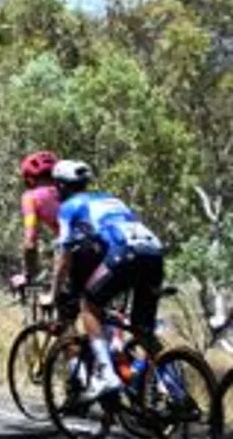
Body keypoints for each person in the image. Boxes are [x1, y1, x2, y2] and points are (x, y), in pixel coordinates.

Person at [46, 160, 165, 400]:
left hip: (125, 253)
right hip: (154, 252)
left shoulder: (69, 207)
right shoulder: (111, 199)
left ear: (60, 186)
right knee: (143, 331)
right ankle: (175, 389)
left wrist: (53, 292)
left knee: (88, 306)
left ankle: (106, 374)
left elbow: (64, 257)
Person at [12, 150, 66, 296]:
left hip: (73, 251)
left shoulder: (31, 197)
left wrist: (29, 274)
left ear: (29, 179)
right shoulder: (71, 191)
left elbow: (30, 242)